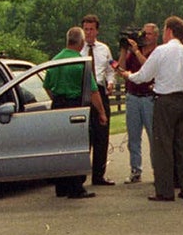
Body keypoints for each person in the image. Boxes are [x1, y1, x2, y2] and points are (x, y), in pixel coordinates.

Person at [118, 16, 183, 202]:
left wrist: (129, 76)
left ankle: (165, 190)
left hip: (165, 100)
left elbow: (144, 75)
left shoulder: (162, 51)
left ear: (169, 31)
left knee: (162, 146)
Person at [43, 26, 107, 199]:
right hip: (75, 104)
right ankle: (76, 187)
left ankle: (61, 186)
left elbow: (47, 86)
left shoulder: (55, 60)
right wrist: (101, 112)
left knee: (60, 146)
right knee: (78, 145)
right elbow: (93, 91)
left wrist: (57, 97)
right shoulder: (81, 62)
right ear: (80, 43)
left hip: (58, 105)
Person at [117, 23, 158, 183]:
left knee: (153, 136)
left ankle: (157, 170)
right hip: (133, 96)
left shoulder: (157, 52)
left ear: (155, 36)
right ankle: (135, 169)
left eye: (148, 34)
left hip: (149, 97)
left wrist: (136, 51)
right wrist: (124, 50)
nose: (145, 37)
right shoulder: (134, 52)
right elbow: (121, 70)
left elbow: (149, 68)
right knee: (133, 137)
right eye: (144, 33)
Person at [81, 14, 116, 186]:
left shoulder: (104, 49)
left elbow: (110, 69)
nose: (88, 33)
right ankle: (80, 175)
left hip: (100, 91)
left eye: (91, 29)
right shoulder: (78, 49)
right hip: (84, 93)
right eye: (85, 29)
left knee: (102, 135)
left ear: (97, 30)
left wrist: (110, 82)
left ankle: (99, 175)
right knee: (84, 135)